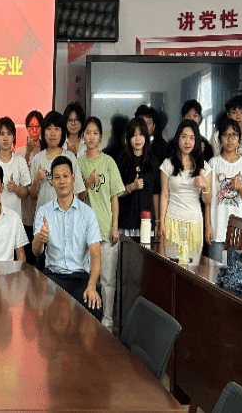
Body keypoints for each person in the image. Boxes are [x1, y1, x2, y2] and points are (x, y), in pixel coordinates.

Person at [33, 156, 103, 320]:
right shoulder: (44, 212)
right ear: (51, 181)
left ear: (73, 178)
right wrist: (40, 239)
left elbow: (95, 254)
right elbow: (36, 251)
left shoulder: (88, 214)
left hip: (80, 278)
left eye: (65, 176)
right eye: (57, 177)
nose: (62, 181)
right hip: (52, 277)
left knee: (93, 309)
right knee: (42, 313)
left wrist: (91, 286)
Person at [78, 117, 125, 330]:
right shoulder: (79, 163)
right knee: (88, 277)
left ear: (100, 136)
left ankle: (107, 320)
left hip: (106, 229)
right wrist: (87, 182)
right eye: (88, 132)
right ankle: (88, 318)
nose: (91, 137)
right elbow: (76, 198)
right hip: (85, 232)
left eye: (95, 133)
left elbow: (115, 196)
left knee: (107, 279)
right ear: (83, 136)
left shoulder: (108, 162)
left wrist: (115, 226)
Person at [157, 120, 212, 261]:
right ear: (178, 139)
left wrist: (205, 185)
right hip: (172, 221)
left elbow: (207, 200)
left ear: (196, 141)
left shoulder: (203, 166)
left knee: (192, 268)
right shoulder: (168, 164)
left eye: (192, 138)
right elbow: (164, 195)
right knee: (172, 265)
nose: (187, 141)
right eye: (184, 137)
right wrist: (161, 222)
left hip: (194, 223)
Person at [207, 118, 242, 263]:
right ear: (220, 138)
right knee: (215, 273)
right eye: (226, 135)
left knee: (236, 273)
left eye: (234, 135)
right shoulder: (213, 163)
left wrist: (240, 186)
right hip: (217, 229)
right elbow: (207, 199)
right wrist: (207, 226)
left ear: (239, 139)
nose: (230, 139)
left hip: (238, 231)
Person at [29, 110, 85, 212]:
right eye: (49, 129)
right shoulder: (37, 159)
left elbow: (77, 191)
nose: (53, 133)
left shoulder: (70, 158)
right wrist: (36, 180)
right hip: (44, 216)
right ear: (43, 133)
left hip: (67, 216)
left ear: (62, 133)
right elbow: (32, 196)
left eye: (57, 129)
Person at [117, 118, 160, 238]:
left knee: (146, 250)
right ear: (128, 138)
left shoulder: (153, 161)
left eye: (141, 134)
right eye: (133, 135)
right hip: (126, 222)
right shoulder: (122, 160)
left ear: (146, 136)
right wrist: (132, 187)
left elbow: (156, 193)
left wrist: (157, 221)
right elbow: (115, 192)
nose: (137, 139)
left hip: (147, 221)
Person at [0, 117, 30, 220]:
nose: (5, 138)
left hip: (14, 219)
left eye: (9, 134)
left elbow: (26, 192)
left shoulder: (20, 161)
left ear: (14, 137)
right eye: (2, 134)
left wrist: (16, 188)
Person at [15, 110, 43, 264]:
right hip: (24, 208)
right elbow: (20, 178)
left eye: (37, 126)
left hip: (40, 205)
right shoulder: (19, 152)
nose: (34, 130)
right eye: (31, 126)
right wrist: (28, 153)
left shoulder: (46, 152)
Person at [210, 95, 242, 162]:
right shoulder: (217, 137)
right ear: (228, 115)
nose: (238, 117)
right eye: (234, 113)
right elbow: (214, 163)